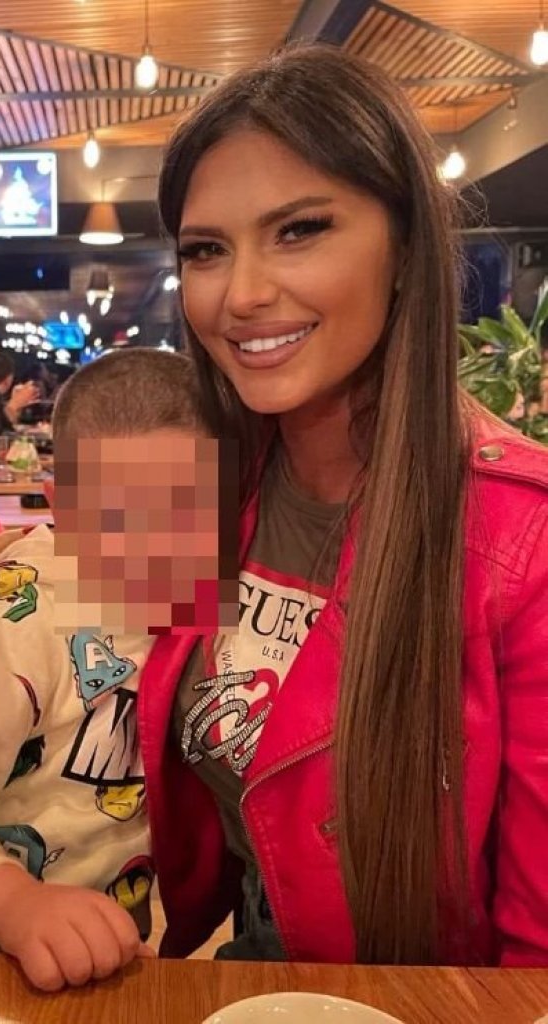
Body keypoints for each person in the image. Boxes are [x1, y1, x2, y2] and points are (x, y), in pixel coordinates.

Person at [141, 44, 548, 967]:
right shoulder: (205, 484)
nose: (242, 293)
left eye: (299, 230)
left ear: (402, 249)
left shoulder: (523, 542)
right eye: (205, 250)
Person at [0, 349, 227, 991]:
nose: (161, 555)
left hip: (114, 958)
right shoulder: (19, 626)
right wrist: (12, 904)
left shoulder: (215, 605)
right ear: (63, 506)